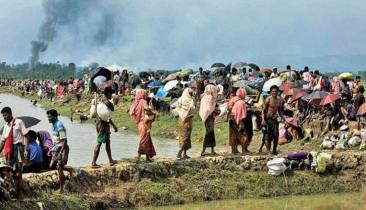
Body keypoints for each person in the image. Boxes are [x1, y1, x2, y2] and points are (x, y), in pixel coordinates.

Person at [0, 107, 26, 200]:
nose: (4, 117)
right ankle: (13, 193)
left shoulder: (19, 122)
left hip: (18, 147)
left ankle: (20, 195)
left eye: (5, 115)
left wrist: (26, 149)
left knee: (18, 173)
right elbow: (3, 141)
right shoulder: (6, 127)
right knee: (10, 172)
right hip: (9, 150)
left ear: (10, 113)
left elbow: (25, 136)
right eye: (3, 115)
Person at [91, 87, 118, 168]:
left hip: (99, 123)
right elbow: (112, 110)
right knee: (99, 142)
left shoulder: (100, 99)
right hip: (103, 125)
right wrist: (114, 126)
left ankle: (110, 160)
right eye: (111, 94)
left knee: (107, 142)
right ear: (109, 94)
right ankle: (93, 162)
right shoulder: (107, 102)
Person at [47, 109, 72, 193]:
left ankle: (61, 189)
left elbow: (64, 141)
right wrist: (51, 149)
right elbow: (57, 140)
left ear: (55, 116)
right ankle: (68, 172)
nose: (48, 118)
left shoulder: (59, 125)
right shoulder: (54, 124)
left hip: (62, 149)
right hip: (57, 148)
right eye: (48, 116)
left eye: (50, 117)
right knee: (55, 166)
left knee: (59, 168)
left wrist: (60, 152)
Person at [129, 90, 156, 164]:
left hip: (140, 123)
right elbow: (147, 108)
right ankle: (138, 158)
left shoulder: (136, 102)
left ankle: (147, 157)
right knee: (143, 140)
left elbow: (133, 112)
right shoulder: (143, 101)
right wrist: (151, 108)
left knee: (146, 139)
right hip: (144, 123)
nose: (146, 95)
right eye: (145, 93)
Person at [261, 85, 285, 156]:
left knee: (276, 135)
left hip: (274, 119)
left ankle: (274, 150)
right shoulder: (268, 100)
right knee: (267, 135)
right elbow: (263, 110)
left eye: (275, 91)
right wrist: (263, 120)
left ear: (277, 92)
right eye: (273, 91)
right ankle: (268, 151)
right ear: (271, 92)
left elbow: (279, 111)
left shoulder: (279, 100)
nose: (274, 93)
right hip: (267, 119)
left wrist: (284, 119)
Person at [173, 88, 195, 159]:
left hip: (181, 120)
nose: (191, 94)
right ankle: (180, 153)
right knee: (186, 136)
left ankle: (185, 154)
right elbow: (192, 108)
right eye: (191, 93)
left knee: (183, 136)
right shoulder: (190, 100)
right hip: (188, 120)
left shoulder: (180, 99)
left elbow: (174, 105)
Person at [199, 85, 220, 156]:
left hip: (205, 117)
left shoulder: (203, 97)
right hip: (209, 117)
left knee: (211, 132)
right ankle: (203, 151)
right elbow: (210, 108)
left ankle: (212, 150)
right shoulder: (210, 98)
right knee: (209, 133)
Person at [227, 89, 249, 155]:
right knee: (243, 134)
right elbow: (242, 114)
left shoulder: (233, 99)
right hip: (239, 120)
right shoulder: (242, 102)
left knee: (233, 135)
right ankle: (243, 151)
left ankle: (233, 151)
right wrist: (241, 122)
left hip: (232, 119)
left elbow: (229, 108)